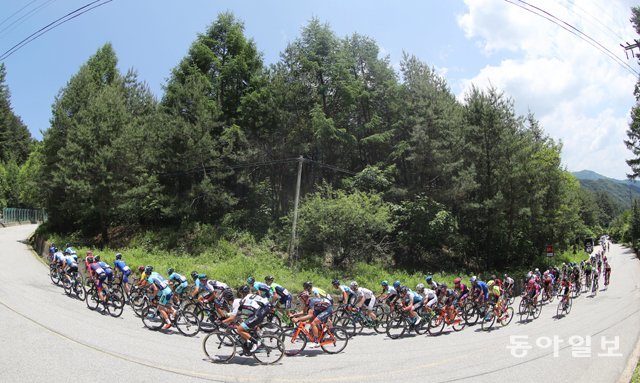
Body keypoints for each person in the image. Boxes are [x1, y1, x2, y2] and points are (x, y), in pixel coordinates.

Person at [222, 285, 271, 353]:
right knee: (246, 324)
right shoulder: (249, 296)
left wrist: (222, 322)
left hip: (259, 312)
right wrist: (228, 315)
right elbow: (239, 313)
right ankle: (253, 339)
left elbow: (233, 317)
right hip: (265, 308)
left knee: (239, 329)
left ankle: (256, 343)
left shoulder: (239, 301)